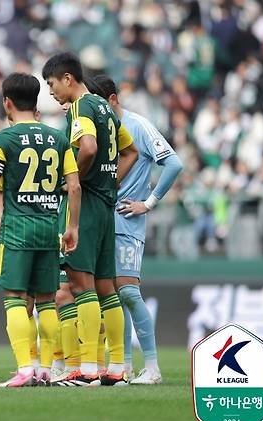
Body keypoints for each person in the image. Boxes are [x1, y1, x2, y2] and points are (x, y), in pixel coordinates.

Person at [0, 72, 81, 387]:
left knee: (15, 299)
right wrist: (71, 226)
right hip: (49, 229)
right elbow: (73, 187)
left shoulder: (2, 139)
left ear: (7, 102)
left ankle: (24, 369)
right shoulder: (58, 138)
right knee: (47, 300)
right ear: (35, 103)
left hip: (17, 230)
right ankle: (46, 369)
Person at [42, 52, 138, 386]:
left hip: (84, 207)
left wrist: (74, 180)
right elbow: (130, 152)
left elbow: (88, 148)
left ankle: (87, 368)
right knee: (105, 288)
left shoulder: (82, 106)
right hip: (105, 205)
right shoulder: (105, 109)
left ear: (67, 78)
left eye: (52, 84)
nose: (51, 92)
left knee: (80, 286)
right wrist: (110, 183)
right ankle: (117, 367)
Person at [88, 75, 182, 385]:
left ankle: (152, 368)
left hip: (127, 219)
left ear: (112, 100)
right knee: (113, 296)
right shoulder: (97, 130)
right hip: (101, 218)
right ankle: (124, 365)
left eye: (98, 103)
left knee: (128, 290)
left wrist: (149, 203)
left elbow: (174, 163)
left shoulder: (137, 125)